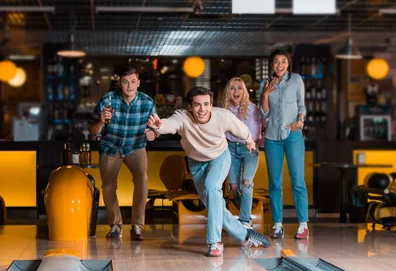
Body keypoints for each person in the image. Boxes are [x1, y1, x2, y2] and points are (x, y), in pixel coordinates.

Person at [146, 86, 270, 257]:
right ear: (190, 107)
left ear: (211, 105)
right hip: (196, 163)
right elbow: (170, 124)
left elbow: (242, 130)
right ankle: (245, 235)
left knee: (212, 188)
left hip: (219, 157)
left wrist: (249, 141)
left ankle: (214, 243)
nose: (202, 109)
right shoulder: (183, 117)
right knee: (213, 202)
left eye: (206, 104)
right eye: (197, 105)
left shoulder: (222, 116)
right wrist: (159, 126)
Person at [91, 67, 156, 240]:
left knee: (142, 178)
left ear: (138, 83)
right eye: (125, 82)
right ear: (120, 83)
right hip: (110, 146)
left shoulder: (147, 102)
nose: (129, 86)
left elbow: (155, 127)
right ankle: (115, 225)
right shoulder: (107, 99)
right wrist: (101, 120)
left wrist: (153, 133)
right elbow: (93, 130)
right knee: (108, 185)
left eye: (133, 82)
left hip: (135, 146)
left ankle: (137, 226)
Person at [260, 49, 309, 240]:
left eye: (283, 61)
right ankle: (278, 225)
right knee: (275, 182)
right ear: (271, 65)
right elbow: (263, 114)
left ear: (288, 64)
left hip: (293, 135)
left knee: (297, 180)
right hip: (272, 138)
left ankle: (303, 225)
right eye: (276, 62)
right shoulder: (266, 83)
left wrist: (300, 121)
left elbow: (301, 105)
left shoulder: (296, 79)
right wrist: (265, 95)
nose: (279, 65)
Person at [221, 77, 264, 229]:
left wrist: (261, 141)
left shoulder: (253, 109)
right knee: (233, 187)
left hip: (249, 149)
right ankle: (247, 206)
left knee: (246, 183)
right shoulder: (224, 111)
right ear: (228, 92)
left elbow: (263, 127)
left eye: (239, 88)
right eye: (232, 88)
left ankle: (245, 220)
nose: (236, 91)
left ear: (244, 91)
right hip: (231, 148)